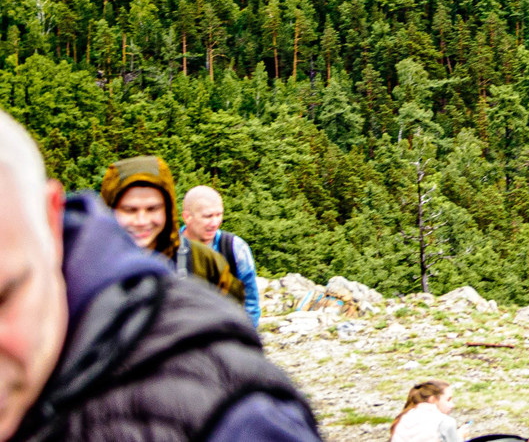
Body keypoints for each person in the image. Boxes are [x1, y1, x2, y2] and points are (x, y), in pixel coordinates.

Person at [0, 113, 321, 442]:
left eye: (4, 297)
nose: (142, 220)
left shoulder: (209, 262)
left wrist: (245, 348)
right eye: (130, 210)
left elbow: (241, 301)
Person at [181, 187, 261, 327]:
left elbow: (250, 302)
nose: (215, 223)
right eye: (208, 216)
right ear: (187, 217)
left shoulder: (235, 248)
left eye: (219, 215)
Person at [100, 155, 181, 265]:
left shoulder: (199, 260)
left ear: (168, 210)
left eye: (152, 209)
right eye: (130, 210)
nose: (141, 222)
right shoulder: (84, 266)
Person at [389, 382, 461, 442]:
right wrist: (460, 437)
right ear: (432, 400)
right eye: (448, 400)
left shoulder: (403, 418)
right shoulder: (445, 422)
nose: (452, 405)